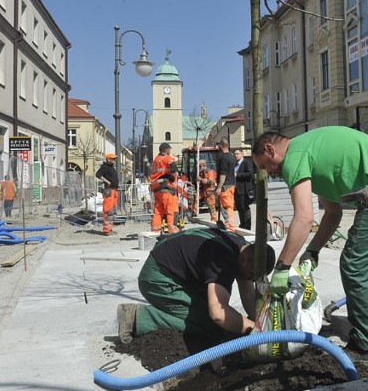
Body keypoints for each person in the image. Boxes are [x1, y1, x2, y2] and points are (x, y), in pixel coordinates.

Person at [252, 127, 368, 366]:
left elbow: (304, 218)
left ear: (270, 149)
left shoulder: (294, 156)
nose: (271, 173)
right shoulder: (310, 150)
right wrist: (313, 250)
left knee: (354, 263)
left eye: (266, 165)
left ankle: (365, 347)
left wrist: (282, 267)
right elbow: (332, 213)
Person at [116, 227, 276, 343]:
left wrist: (260, 320)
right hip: (158, 278)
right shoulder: (223, 260)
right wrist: (257, 331)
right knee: (212, 325)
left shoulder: (241, 247)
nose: (250, 280)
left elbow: (248, 296)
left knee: (221, 316)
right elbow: (218, 314)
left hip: (172, 270)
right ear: (244, 260)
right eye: (251, 275)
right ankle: (136, 318)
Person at [150, 142, 179, 233]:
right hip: (166, 186)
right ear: (166, 150)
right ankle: (172, 228)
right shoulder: (167, 158)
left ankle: (155, 229)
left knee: (158, 209)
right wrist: (175, 173)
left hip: (156, 187)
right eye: (169, 149)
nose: (170, 151)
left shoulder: (156, 159)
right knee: (172, 208)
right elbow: (172, 165)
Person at [95, 153, 119, 235]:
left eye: (115, 159)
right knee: (108, 211)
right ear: (108, 159)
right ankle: (106, 230)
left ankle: (109, 228)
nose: (115, 161)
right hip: (109, 190)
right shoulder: (105, 167)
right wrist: (107, 181)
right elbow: (98, 174)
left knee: (113, 211)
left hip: (114, 190)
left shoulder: (111, 167)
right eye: (113, 159)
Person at [216, 138, 236, 230]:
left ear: (221, 145)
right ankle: (231, 224)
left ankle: (230, 225)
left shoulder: (223, 158)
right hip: (232, 184)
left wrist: (219, 187)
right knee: (230, 205)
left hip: (225, 185)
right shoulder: (232, 156)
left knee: (225, 206)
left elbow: (223, 174)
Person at [233, 149, 256, 230]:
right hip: (237, 190)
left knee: (244, 208)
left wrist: (237, 175)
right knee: (239, 208)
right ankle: (242, 224)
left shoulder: (246, 162)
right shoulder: (235, 165)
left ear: (242, 154)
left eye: (237, 154)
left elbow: (250, 174)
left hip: (244, 189)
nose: (235, 155)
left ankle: (247, 226)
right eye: (234, 154)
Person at [198, 158, 218, 222]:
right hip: (205, 191)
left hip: (210, 192)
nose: (199, 168)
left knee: (211, 206)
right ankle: (194, 213)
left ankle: (214, 219)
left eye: (200, 166)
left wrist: (200, 179)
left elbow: (210, 182)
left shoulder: (210, 172)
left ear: (203, 165)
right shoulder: (202, 173)